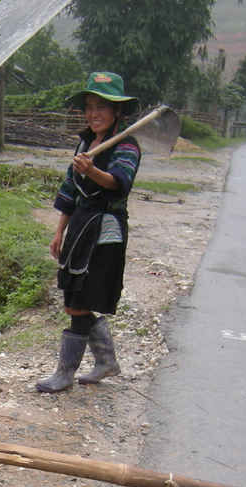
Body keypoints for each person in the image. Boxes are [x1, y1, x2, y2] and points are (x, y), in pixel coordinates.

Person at [36, 71, 141, 393]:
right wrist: (58, 233)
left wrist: (93, 171)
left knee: (81, 299)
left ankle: (65, 374)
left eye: (102, 107)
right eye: (89, 106)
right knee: (73, 298)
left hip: (105, 231)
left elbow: (120, 182)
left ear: (117, 112)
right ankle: (106, 362)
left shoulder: (126, 145)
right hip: (79, 227)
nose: (93, 114)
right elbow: (70, 191)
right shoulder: (85, 142)